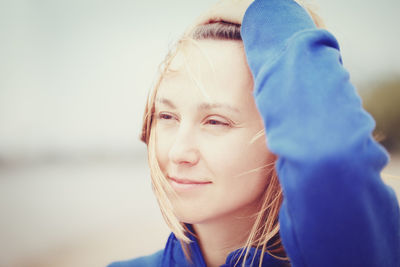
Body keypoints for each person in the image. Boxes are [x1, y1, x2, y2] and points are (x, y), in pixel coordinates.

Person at [109, 0, 400, 266]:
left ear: (284, 132)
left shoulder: (356, 252)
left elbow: (329, 159)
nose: (177, 152)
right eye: (167, 116)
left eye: (215, 121)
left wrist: (271, 10)